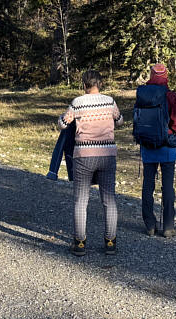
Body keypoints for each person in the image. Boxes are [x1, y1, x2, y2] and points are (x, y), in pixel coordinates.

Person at [58, 70, 123, 256]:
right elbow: (119, 121)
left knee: (81, 200)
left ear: (84, 85)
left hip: (83, 155)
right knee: (108, 199)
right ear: (99, 84)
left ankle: (80, 243)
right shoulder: (110, 101)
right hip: (107, 154)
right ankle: (110, 242)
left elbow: (63, 123)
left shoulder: (77, 103)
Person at [138, 63, 176, 237]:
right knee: (168, 186)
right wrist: (169, 131)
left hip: (147, 145)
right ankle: (168, 226)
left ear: (151, 75)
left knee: (148, 184)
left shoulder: (142, 94)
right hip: (166, 146)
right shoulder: (170, 96)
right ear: (165, 76)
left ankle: (149, 224)